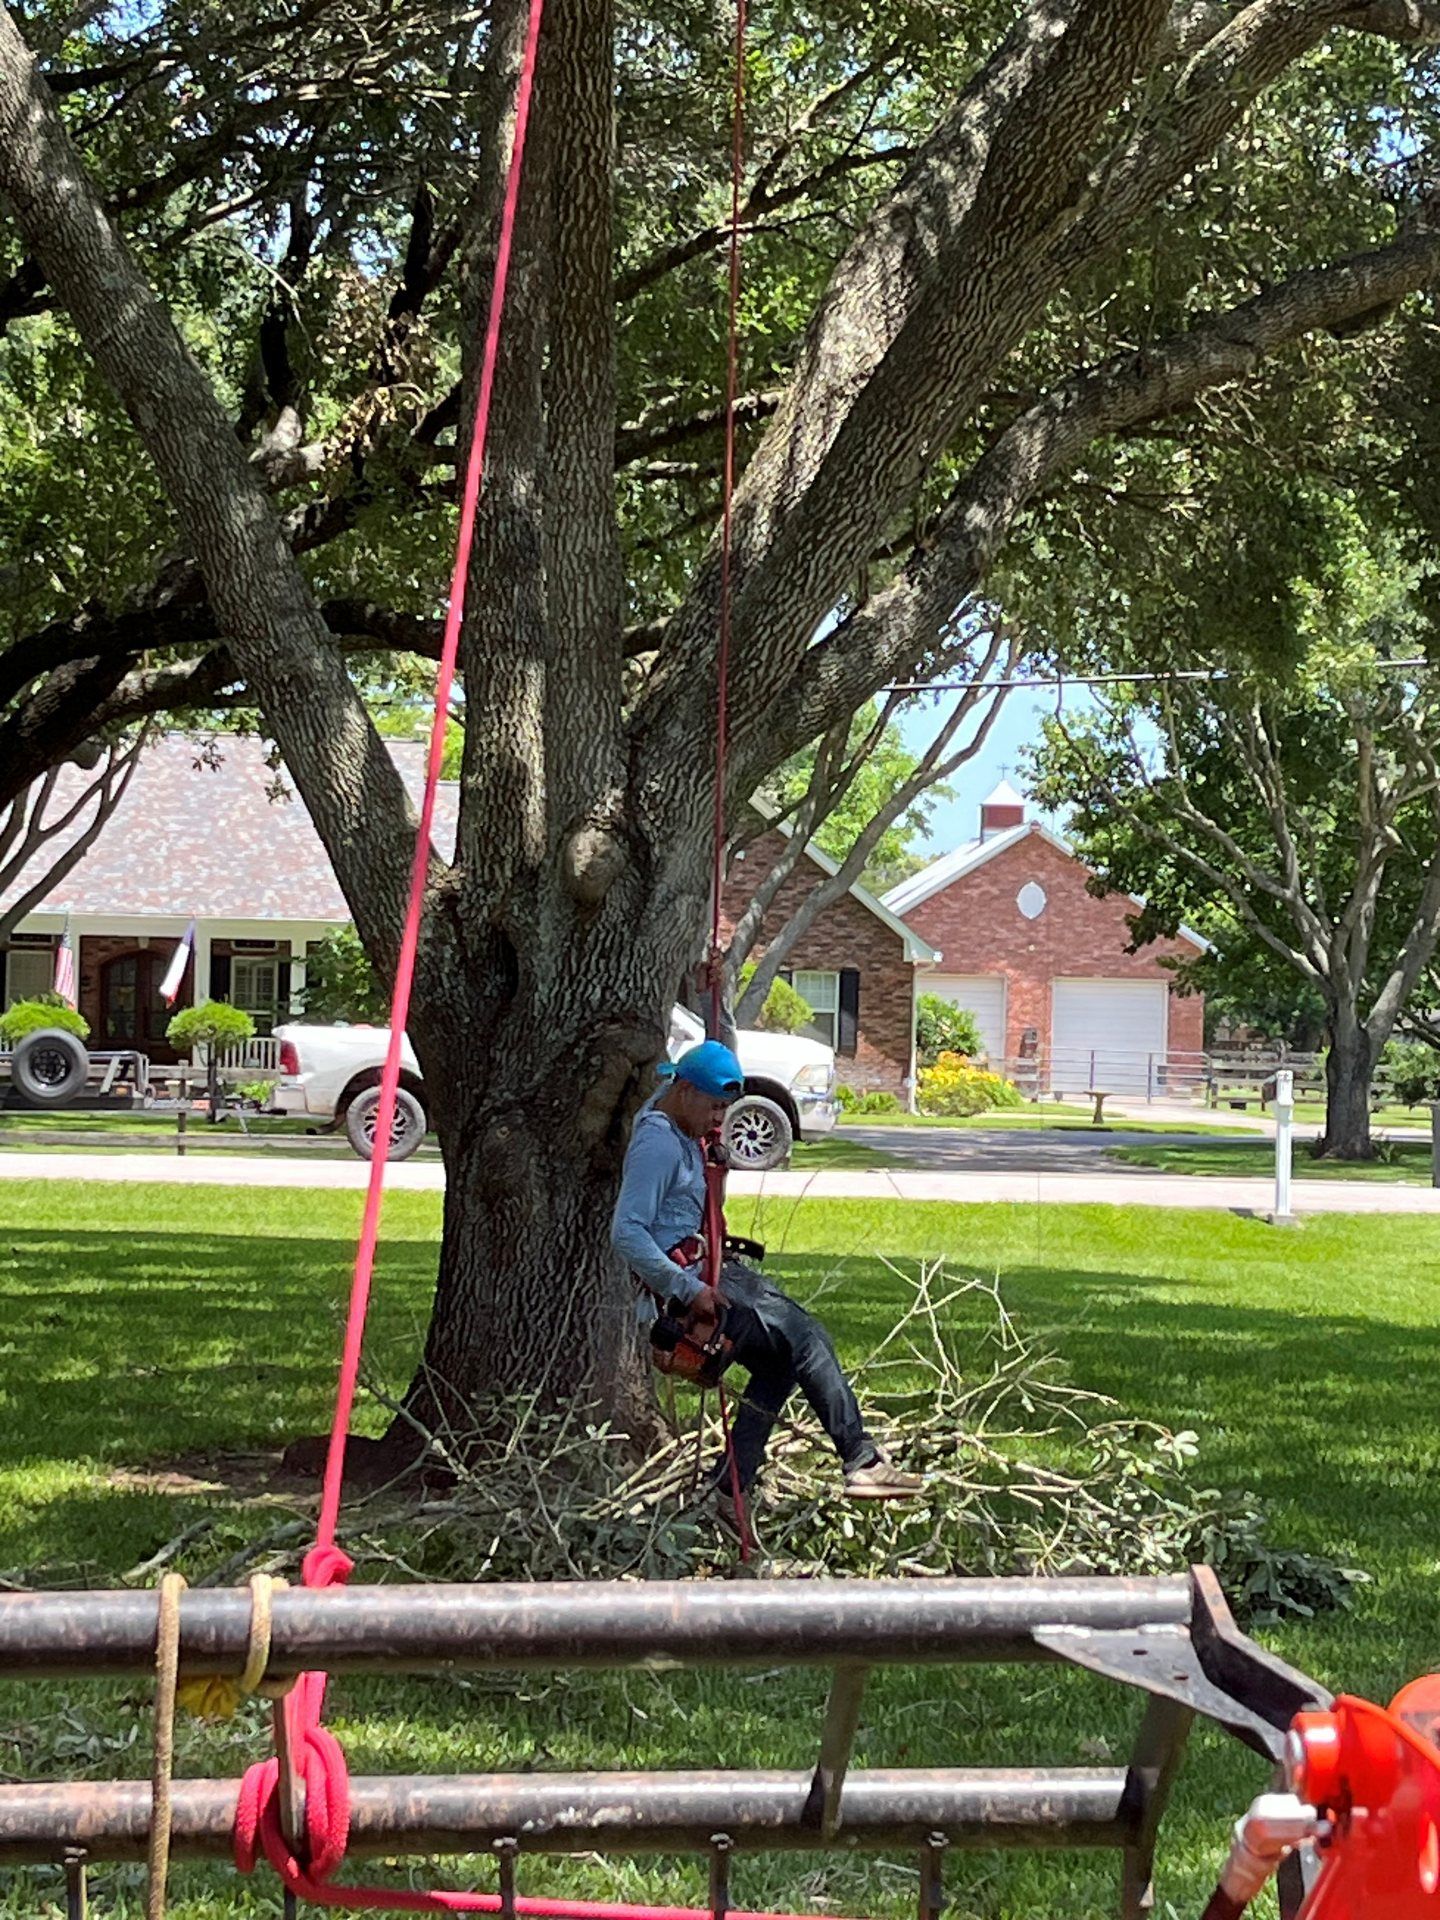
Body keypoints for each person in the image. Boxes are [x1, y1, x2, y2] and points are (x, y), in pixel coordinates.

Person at [612, 1038, 923, 1526]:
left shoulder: (674, 1118)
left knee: (779, 1367)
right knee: (808, 1338)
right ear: (686, 1090)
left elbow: (669, 1104)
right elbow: (627, 1231)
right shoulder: (657, 1142)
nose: (720, 1118)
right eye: (715, 1106)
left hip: (708, 1271)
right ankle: (861, 1461)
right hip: (695, 1283)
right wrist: (689, 1290)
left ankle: (728, 1485)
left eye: (725, 1108)